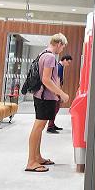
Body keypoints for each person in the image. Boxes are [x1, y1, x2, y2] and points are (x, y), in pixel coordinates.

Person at [25, 34, 69, 172]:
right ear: (58, 43)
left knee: (40, 127)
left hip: (41, 95)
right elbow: (46, 79)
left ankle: (37, 157)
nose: (62, 50)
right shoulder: (50, 57)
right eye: (63, 46)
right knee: (38, 127)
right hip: (45, 97)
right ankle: (31, 162)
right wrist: (61, 93)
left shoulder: (42, 53)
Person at [46, 54, 73, 133]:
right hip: (55, 92)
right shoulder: (59, 67)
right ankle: (50, 127)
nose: (68, 64)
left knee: (56, 108)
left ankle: (52, 124)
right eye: (68, 62)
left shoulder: (59, 66)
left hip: (55, 91)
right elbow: (57, 80)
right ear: (64, 60)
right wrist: (59, 93)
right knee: (55, 109)